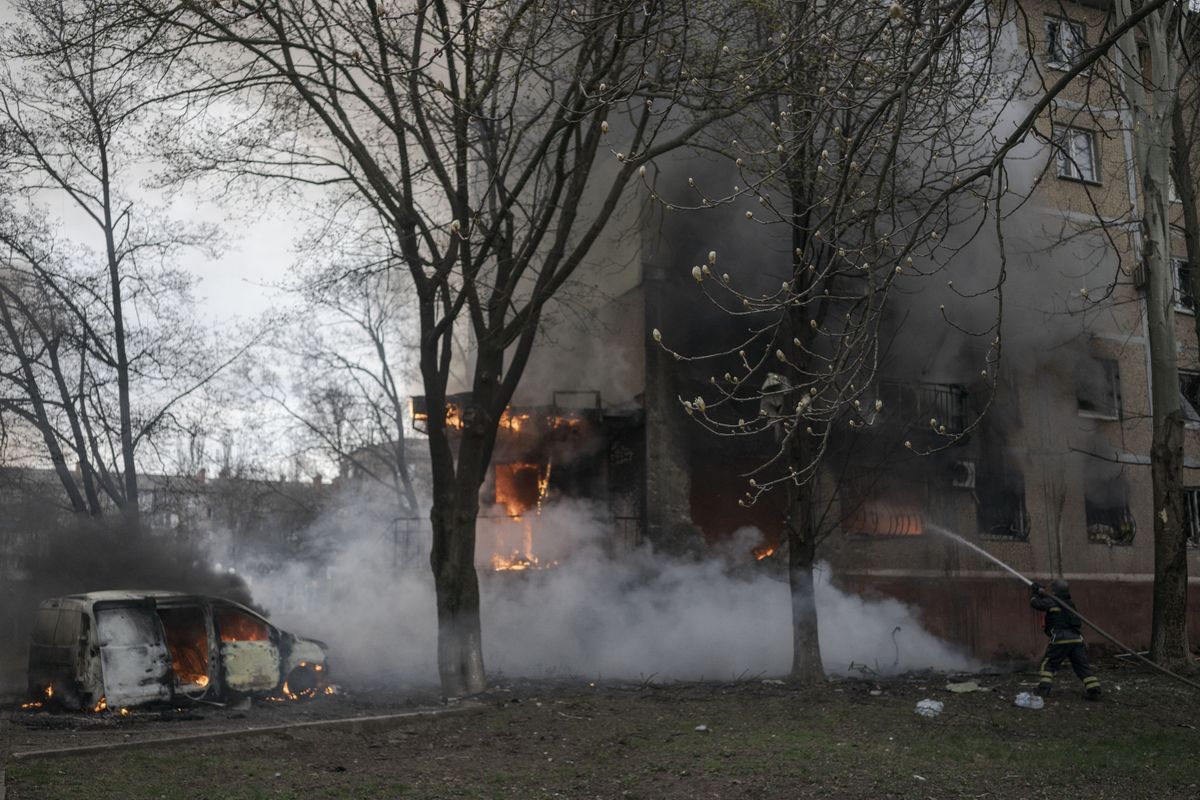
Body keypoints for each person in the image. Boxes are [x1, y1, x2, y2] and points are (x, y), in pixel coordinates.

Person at [1029, 579, 1101, 700]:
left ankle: (1043, 690)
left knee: (1049, 664)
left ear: (1055, 591)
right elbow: (1049, 603)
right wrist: (1042, 593)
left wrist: (1034, 594)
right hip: (1077, 639)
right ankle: (1095, 691)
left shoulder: (1053, 601)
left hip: (1060, 638)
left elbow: (1035, 604)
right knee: (1082, 666)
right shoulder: (1070, 604)